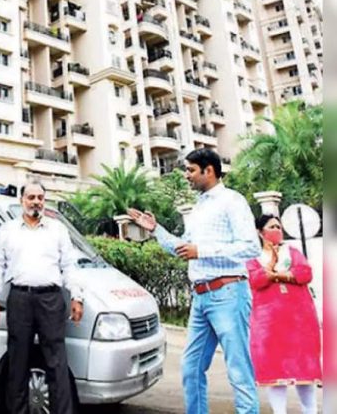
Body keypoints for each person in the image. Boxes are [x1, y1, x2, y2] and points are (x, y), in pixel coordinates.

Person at [128, 148, 262, 414]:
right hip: (200, 298)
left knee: (238, 370)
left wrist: (202, 250)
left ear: (208, 170)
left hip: (228, 292)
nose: (186, 176)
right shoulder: (199, 207)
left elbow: (251, 247)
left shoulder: (232, 201)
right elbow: (184, 248)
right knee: (190, 369)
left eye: (190, 170)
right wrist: (157, 230)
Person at [0, 182, 84, 414]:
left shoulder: (57, 229)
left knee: (56, 362)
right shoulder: (7, 231)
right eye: (31, 197)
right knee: (18, 363)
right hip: (20, 299)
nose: (36, 201)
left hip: (51, 300)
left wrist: (77, 296)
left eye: (40, 197)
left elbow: (69, 265)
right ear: (22, 200)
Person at [247, 214, 321, 414]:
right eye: (272, 227)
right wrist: (271, 263)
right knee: (275, 372)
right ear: (260, 233)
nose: (277, 230)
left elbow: (305, 273)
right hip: (269, 325)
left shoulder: (293, 252)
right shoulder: (253, 258)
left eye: (279, 227)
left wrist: (277, 275)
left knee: (304, 370)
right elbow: (257, 280)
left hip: (300, 321)